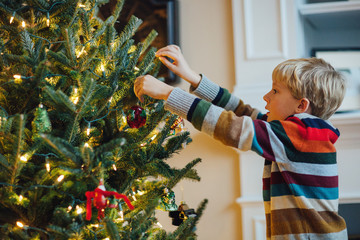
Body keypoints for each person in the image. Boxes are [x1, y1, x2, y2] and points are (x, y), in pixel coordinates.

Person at [134, 45, 348, 239]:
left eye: (275, 91)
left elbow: (233, 128)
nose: (266, 97)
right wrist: (192, 77)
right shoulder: (301, 133)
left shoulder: (302, 135)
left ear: (301, 105)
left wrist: (168, 93)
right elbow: (242, 112)